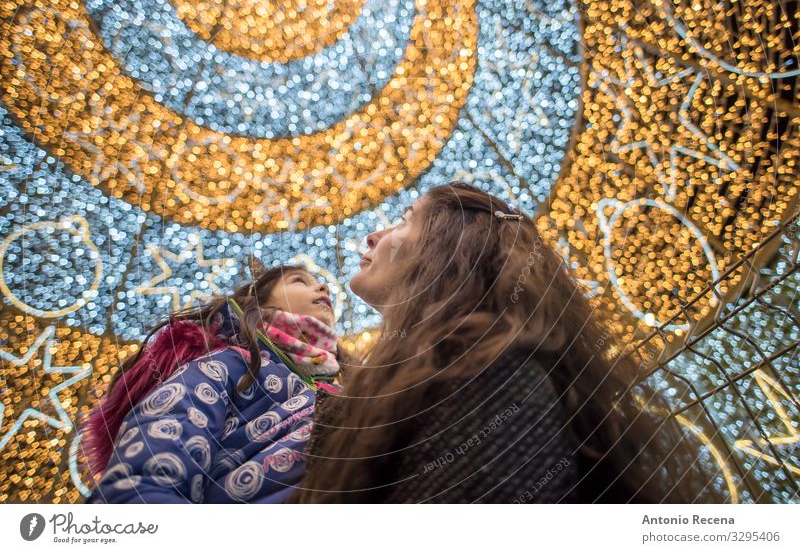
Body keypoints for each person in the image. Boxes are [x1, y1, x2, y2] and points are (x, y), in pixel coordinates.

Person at [291, 182, 724, 503]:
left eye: (404, 220)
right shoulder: (432, 375)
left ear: (451, 248)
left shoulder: (484, 380)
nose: (373, 236)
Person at [82, 262, 351, 503]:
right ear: (257, 302)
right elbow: (149, 472)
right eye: (300, 280)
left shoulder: (342, 385)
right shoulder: (231, 364)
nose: (323, 286)